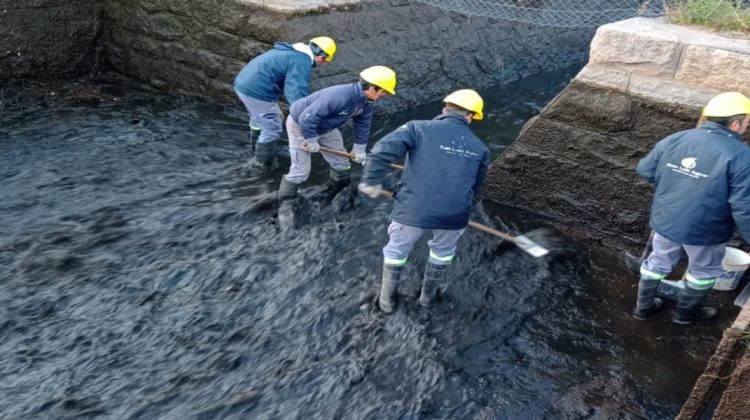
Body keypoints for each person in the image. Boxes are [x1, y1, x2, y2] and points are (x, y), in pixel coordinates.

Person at [357, 89, 490, 313]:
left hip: (414, 208)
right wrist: (464, 210)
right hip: (455, 214)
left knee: (397, 251)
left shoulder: (417, 128)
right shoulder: (481, 148)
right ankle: (427, 300)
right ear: (470, 117)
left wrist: (371, 180)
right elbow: (476, 190)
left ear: (444, 109)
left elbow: (381, 151)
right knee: (442, 252)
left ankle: (387, 303)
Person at [633, 91, 750, 324]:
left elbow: (645, 169)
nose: (747, 127)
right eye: (747, 122)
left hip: (666, 220)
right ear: (735, 123)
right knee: (704, 272)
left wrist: (678, 186)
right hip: (705, 229)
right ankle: (685, 315)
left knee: (657, 261)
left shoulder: (677, 138)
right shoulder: (741, 156)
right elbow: (742, 205)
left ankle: (642, 309)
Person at [276, 65, 397, 202]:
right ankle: (284, 204)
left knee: (342, 164)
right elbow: (306, 118)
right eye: (383, 91)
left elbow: (363, 124)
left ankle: (336, 195)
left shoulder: (367, 101)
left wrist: (359, 149)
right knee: (301, 172)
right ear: (371, 87)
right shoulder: (340, 96)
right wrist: (310, 139)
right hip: (301, 125)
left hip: (326, 128)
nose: (384, 94)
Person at [233, 36, 337, 169]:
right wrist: (306, 116)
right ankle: (262, 165)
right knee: (272, 129)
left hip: (243, 84)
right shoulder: (302, 60)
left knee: (260, 119)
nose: (322, 63)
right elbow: (295, 90)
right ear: (321, 55)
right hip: (257, 92)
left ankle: (256, 150)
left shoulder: (290, 51)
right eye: (324, 60)